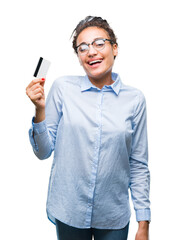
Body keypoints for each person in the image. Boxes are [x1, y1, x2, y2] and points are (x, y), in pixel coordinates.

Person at [26, 16, 151, 240]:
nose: (91, 51)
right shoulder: (63, 88)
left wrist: (144, 223)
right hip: (69, 210)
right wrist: (39, 111)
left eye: (99, 43)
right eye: (82, 47)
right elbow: (43, 152)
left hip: (113, 215)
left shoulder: (135, 100)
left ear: (115, 48)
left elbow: (138, 164)